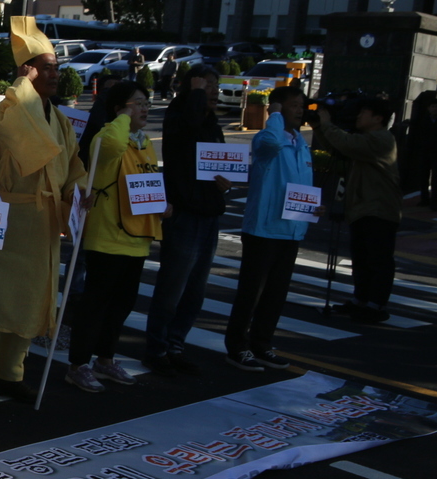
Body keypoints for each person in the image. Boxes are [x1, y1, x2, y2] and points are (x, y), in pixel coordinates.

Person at [0, 17, 88, 407]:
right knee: (0, 301)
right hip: (14, 218)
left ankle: (13, 373)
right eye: (47, 68)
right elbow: (7, 125)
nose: (55, 75)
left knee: (30, 302)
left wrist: (78, 195)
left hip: (44, 221)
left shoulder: (59, 118)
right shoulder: (13, 107)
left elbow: (74, 165)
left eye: (57, 68)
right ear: (27, 73)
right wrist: (21, 86)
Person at [66, 81, 165, 392]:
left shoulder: (143, 141)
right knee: (95, 304)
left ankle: (106, 359)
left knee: (122, 304)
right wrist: (122, 117)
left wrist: (162, 204)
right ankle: (78, 364)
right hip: (107, 236)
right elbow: (110, 146)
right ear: (119, 109)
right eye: (137, 103)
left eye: (146, 103)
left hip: (137, 238)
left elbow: (147, 180)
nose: (144, 109)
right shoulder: (107, 136)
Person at [144, 66, 228, 374]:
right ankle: (156, 348)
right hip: (184, 214)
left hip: (209, 214)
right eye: (207, 88)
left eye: (215, 87)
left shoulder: (211, 123)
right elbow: (189, 128)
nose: (214, 93)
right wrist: (193, 93)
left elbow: (218, 162)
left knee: (195, 291)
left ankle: (175, 344)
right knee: (172, 289)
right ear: (191, 91)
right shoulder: (180, 118)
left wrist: (225, 181)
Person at [224, 85, 313, 371]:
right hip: (263, 230)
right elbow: (272, 142)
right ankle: (237, 347)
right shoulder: (267, 138)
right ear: (278, 108)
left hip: (291, 230)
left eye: (302, 105)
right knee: (251, 293)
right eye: (294, 105)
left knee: (275, 294)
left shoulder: (301, 143)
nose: (300, 110)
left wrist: (313, 207)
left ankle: (262, 344)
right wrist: (273, 114)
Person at [315, 97, 400, 323]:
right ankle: (361, 300)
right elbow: (338, 148)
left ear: (378, 118)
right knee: (362, 259)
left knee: (377, 260)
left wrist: (327, 122)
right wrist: (318, 125)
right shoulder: (367, 139)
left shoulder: (382, 139)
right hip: (363, 208)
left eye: (364, 112)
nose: (358, 116)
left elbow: (347, 144)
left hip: (379, 210)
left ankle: (376, 305)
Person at [405, 92, 437, 210]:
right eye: (433, 106)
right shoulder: (423, 121)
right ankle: (424, 199)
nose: (435, 109)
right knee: (423, 176)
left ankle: (434, 201)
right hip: (424, 151)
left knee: (435, 177)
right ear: (429, 108)